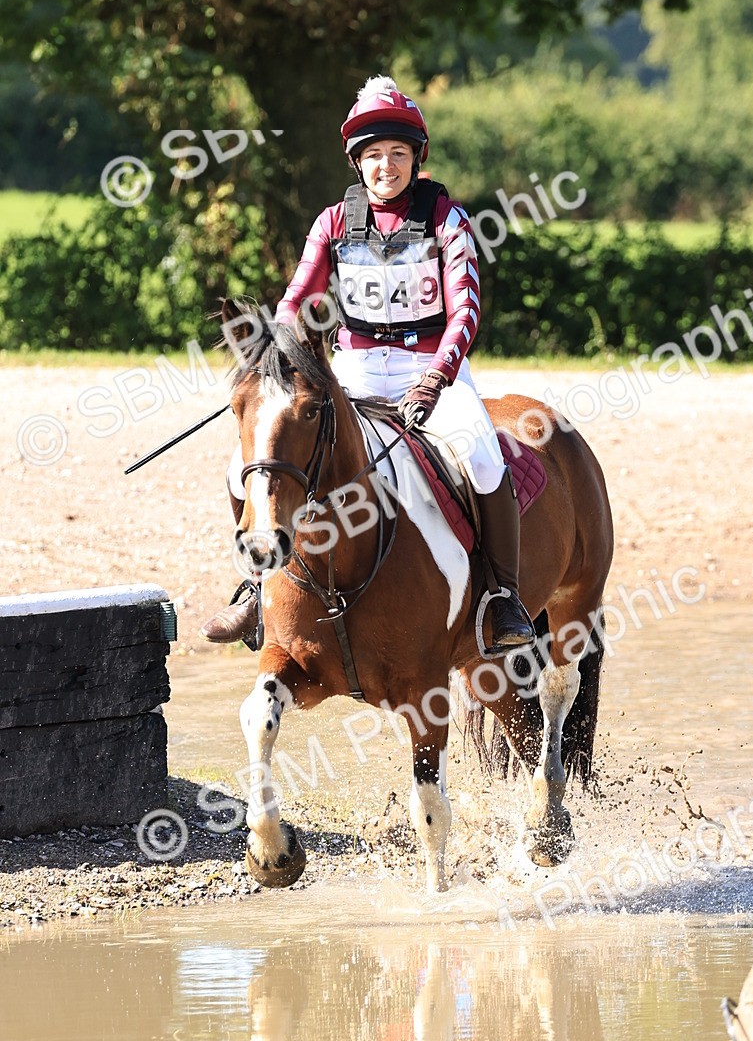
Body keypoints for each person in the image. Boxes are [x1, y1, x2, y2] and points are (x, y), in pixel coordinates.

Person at [201, 75, 534, 651]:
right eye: (375, 155)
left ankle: (503, 599)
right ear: (358, 162)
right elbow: (297, 301)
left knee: (482, 457)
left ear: (416, 158)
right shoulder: (332, 223)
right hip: (353, 368)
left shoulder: (448, 220)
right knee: (243, 465)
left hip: (432, 366)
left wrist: (437, 377)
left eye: (398, 153)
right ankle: (256, 590)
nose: (387, 166)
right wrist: (278, 360)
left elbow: (466, 311)